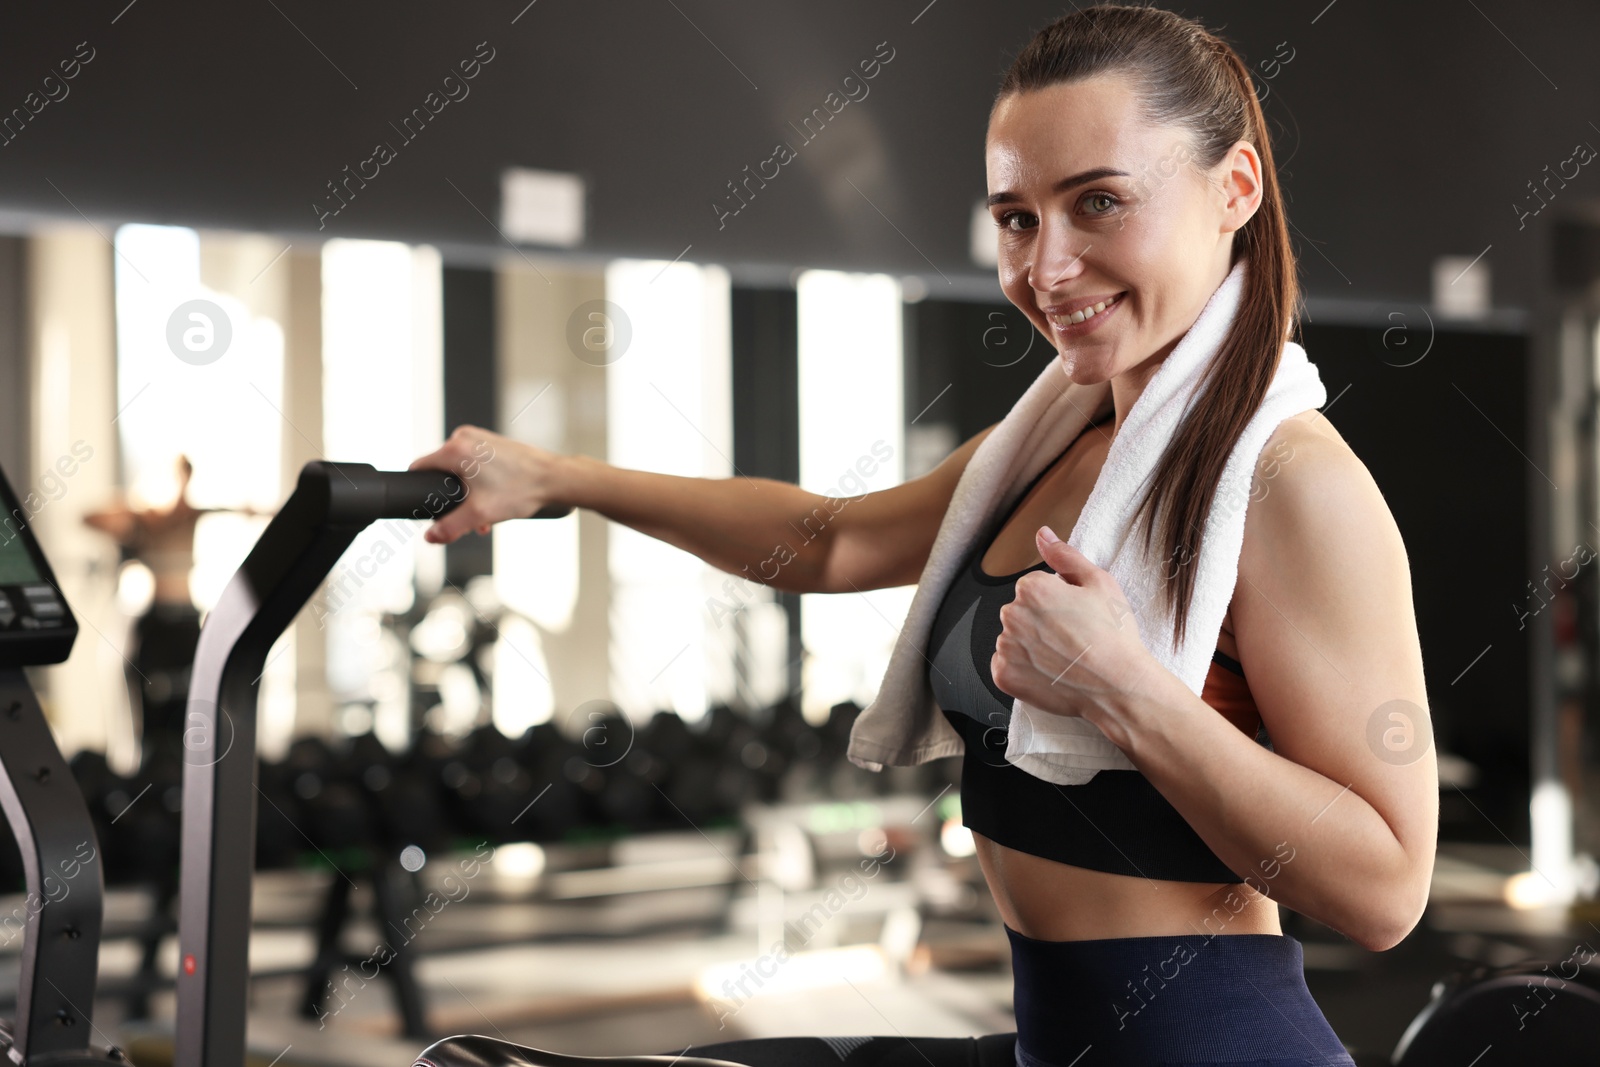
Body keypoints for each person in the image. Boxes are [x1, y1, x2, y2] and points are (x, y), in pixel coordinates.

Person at [406, 6, 1434, 1065]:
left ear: (1235, 190)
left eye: (1099, 203)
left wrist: (1130, 692)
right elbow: (828, 542)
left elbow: (1386, 887)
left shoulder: (1290, 483)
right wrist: (558, 478)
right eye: (1017, 218)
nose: (1049, 267)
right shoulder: (1041, 446)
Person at [83, 454, 265, 763]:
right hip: (155, 624)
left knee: (196, 706)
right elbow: (89, 518)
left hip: (187, 623)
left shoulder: (193, 514)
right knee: (149, 715)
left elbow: (245, 511)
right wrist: (135, 511)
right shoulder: (147, 518)